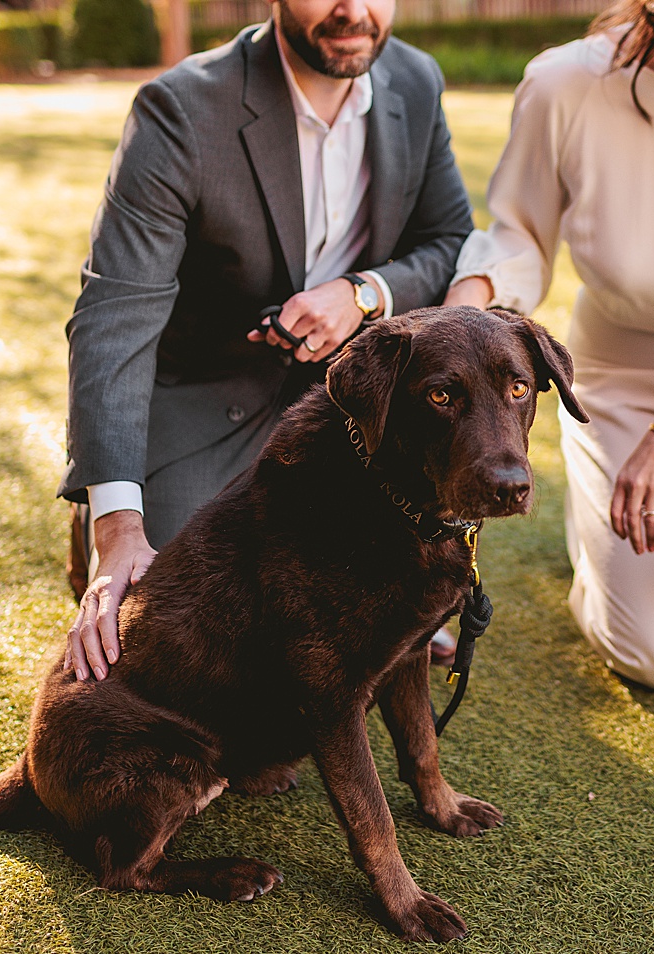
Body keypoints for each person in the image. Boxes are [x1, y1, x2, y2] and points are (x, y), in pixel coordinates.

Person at [60, 0, 475, 682]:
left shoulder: (416, 81)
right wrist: (117, 530)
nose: (352, 10)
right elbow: (115, 315)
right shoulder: (180, 110)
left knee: (368, 614)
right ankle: (103, 521)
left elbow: (447, 241)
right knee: (174, 630)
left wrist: (364, 293)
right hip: (205, 397)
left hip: (349, 407)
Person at [445, 0, 654, 692]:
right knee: (653, 649)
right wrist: (457, 318)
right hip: (623, 373)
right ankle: (596, 541)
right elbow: (520, 236)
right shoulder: (565, 83)